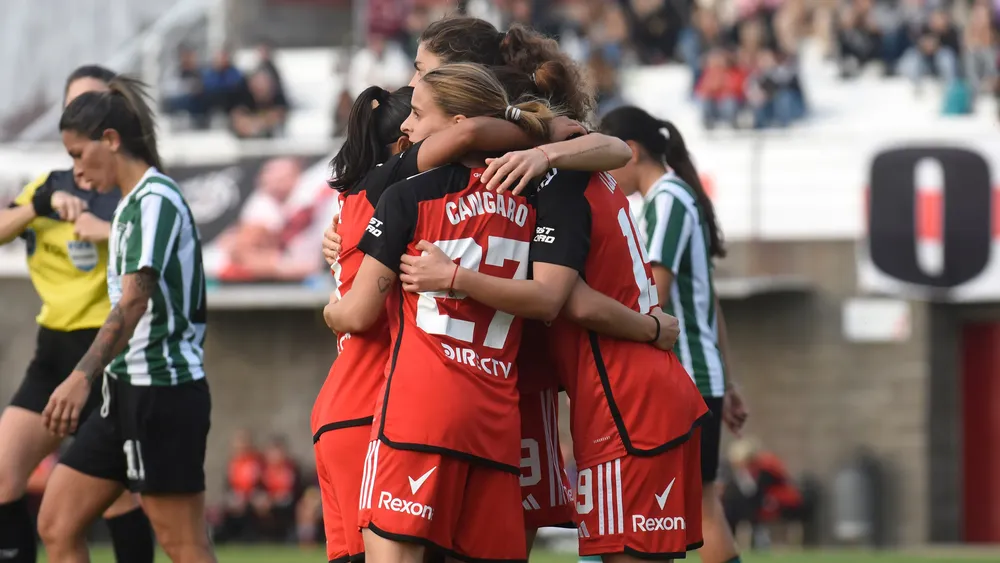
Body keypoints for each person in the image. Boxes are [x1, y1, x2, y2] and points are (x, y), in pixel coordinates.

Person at [316, 21, 643, 559]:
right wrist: (544, 148)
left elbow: (355, 312)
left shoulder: (402, 193)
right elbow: (610, 153)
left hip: (406, 406)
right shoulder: (527, 184)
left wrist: (341, 291)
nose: (412, 85)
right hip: (502, 406)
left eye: (422, 74)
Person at [398, 105, 710, 563]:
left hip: (624, 403)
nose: (409, 124)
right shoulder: (583, 170)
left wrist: (453, 277)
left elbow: (565, 299)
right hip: (638, 393)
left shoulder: (560, 185)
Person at [36, 75, 215, 563]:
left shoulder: (154, 200)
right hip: (124, 391)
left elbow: (134, 302)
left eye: (78, 154)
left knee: (184, 546)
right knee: (56, 524)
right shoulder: (131, 204)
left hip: (162, 391)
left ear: (110, 140)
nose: (75, 170)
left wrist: (79, 377)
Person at [0, 65, 155, 563]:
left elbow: (159, 255)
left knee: (115, 501)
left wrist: (103, 226)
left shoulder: (135, 188)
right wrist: (39, 205)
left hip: (107, 353)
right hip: (53, 352)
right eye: (73, 106)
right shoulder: (51, 183)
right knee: (6, 476)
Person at [599, 105, 749, 563]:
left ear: (631, 151)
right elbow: (710, 302)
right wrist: (730, 380)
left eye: (608, 160)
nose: (605, 175)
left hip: (685, 378)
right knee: (698, 506)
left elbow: (654, 293)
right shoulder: (673, 199)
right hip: (702, 377)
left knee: (696, 508)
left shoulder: (667, 200)